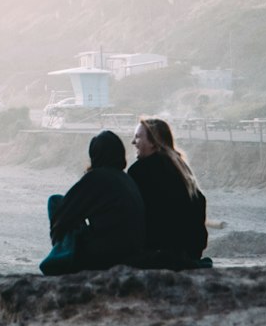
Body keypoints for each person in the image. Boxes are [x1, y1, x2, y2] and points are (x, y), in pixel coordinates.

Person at [39, 129, 146, 275]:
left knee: (55, 201)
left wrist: (57, 239)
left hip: (106, 252)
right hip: (132, 249)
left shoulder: (97, 177)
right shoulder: (125, 178)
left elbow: (65, 212)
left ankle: (61, 256)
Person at [128, 116, 209, 268]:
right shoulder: (180, 167)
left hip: (158, 254)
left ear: (153, 143)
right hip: (189, 253)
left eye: (138, 137)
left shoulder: (140, 171)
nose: (133, 142)